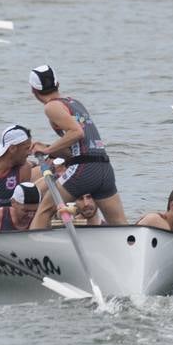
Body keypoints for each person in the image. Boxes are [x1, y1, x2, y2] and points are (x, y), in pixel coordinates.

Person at [27, 64, 129, 229]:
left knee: (45, 209)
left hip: (84, 170)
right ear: (57, 84)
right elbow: (76, 150)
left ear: (34, 91)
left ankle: (30, 251)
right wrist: (47, 147)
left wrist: (46, 150)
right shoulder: (74, 102)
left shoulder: (51, 107)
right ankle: (131, 250)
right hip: (104, 169)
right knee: (121, 226)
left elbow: (77, 132)